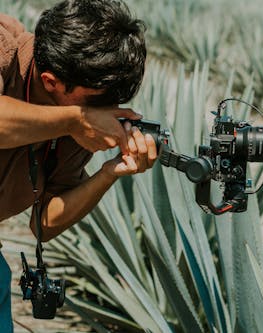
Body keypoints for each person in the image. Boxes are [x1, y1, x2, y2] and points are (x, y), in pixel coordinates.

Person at [0, 0, 156, 330]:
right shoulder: (4, 46)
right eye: (98, 100)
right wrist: (74, 120)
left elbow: (44, 223)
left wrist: (111, 171)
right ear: (51, 81)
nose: (108, 111)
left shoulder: (78, 125)